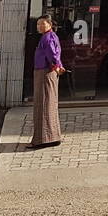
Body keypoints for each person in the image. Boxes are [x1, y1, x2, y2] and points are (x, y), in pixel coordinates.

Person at [29, 15, 64, 150]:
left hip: (45, 73)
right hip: (45, 72)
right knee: (49, 103)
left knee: (42, 104)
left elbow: (53, 55)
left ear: (49, 24)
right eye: (38, 24)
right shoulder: (50, 36)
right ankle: (52, 137)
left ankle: (43, 139)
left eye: (42, 24)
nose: (39, 27)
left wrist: (57, 66)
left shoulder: (48, 38)